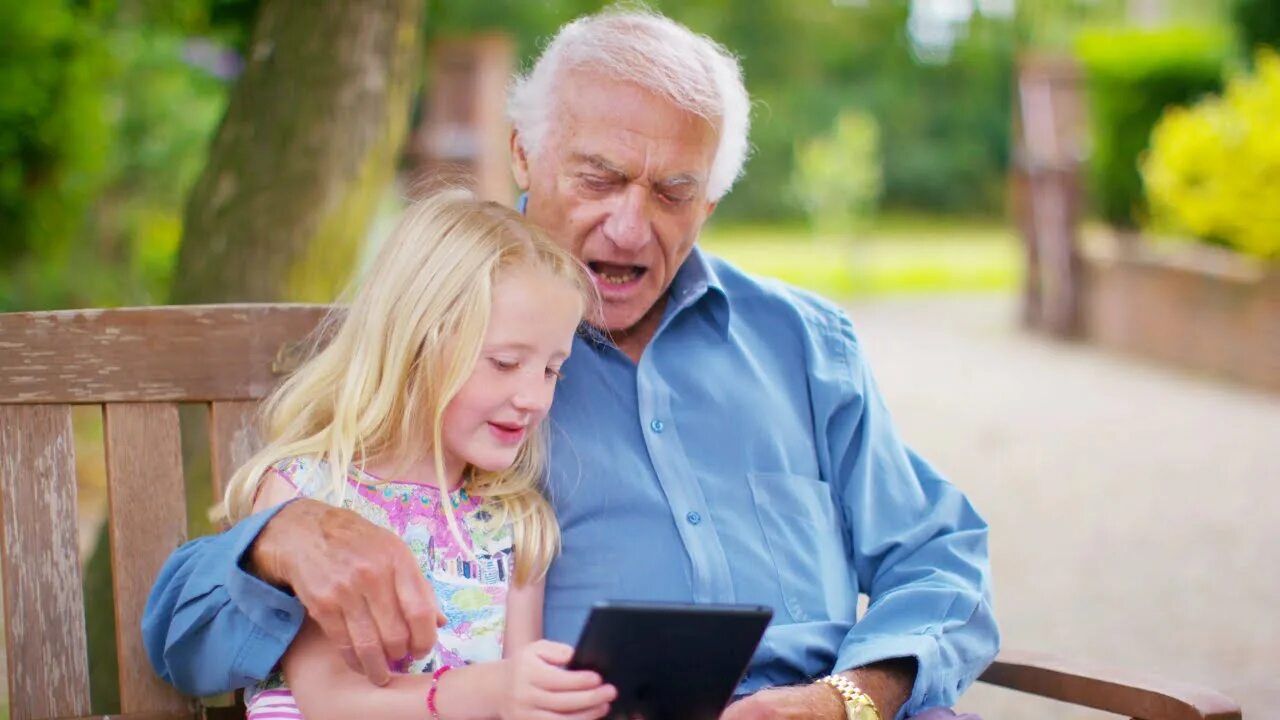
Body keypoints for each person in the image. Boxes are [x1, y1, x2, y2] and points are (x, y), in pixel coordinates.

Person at [144, 9, 998, 720]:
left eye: (672, 193)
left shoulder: (804, 342)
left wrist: (849, 698)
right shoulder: (443, 335)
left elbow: (939, 554)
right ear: (522, 153)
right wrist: (282, 541)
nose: (631, 227)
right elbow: (182, 632)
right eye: (599, 178)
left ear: (711, 196)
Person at [216, 191, 615, 720]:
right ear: (416, 344)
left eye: (551, 371)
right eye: (504, 362)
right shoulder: (309, 498)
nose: (535, 399)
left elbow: (522, 696)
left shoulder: (513, 522)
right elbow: (329, 699)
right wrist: (495, 692)